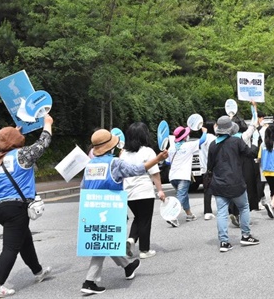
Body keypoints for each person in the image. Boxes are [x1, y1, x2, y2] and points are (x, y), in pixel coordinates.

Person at [80, 129, 168, 294]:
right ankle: (89, 281)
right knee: (103, 241)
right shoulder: (115, 163)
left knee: (107, 240)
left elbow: (83, 187)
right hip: (111, 208)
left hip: (91, 208)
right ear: (110, 146)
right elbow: (137, 170)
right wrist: (157, 158)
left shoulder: (89, 165)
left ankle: (127, 266)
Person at [0, 116, 54, 297]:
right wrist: (48, 124)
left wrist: (13, 133)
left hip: (0, 209)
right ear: (16, 142)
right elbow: (43, 143)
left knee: (24, 239)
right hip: (16, 208)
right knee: (11, 247)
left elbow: (7, 143)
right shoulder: (21, 155)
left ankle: (37, 271)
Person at [208, 116, 260, 253]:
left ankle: (224, 242)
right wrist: (254, 140)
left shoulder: (213, 145)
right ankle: (246, 235)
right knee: (244, 207)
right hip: (236, 182)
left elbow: (210, 166)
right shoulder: (236, 142)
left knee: (221, 213)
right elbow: (251, 153)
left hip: (219, 183)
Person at [121, 122, 166, 260]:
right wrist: (160, 191)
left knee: (139, 218)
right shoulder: (147, 151)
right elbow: (155, 173)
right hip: (144, 191)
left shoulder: (123, 153)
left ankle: (131, 239)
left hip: (127, 193)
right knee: (145, 220)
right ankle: (144, 250)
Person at [166, 125, 200, 227]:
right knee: (181, 196)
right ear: (184, 137)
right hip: (183, 176)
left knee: (183, 195)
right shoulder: (189, 145)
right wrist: (203, 129)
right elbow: (202, 140)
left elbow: (168, 163)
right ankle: (172, 216)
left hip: (173, 177)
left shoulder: (171, 148)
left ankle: (189, 214)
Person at [199, 121, 217, 220]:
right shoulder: (214, 139)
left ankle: (207, 211)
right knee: (222, 188)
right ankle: (229, 209)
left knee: (207, 190)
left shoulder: (202, 138)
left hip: (204, 168)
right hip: (213, 167)